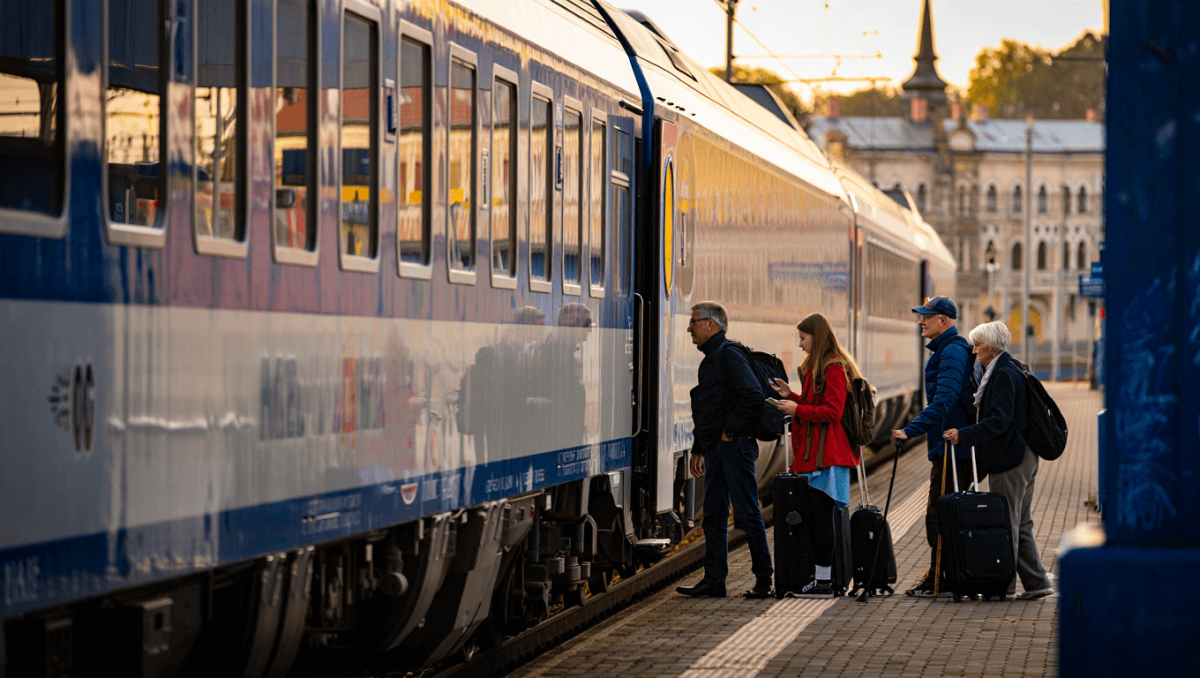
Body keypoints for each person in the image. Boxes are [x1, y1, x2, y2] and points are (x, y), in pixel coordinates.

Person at [943, 321, 1055, 600]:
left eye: (978, 345)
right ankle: (1037, 583)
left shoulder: (1003, 374)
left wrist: (964, 435)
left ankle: (1002, 585)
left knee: (1007, 522)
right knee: (1020, 522)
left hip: (1011, 458)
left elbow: (999, 421)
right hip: (1024, 455)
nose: (974, 350)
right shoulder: (1011, 367)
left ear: (991, 347)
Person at [677, 301, 774, 599]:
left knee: (746, 513)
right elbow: (709, 409)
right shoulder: (713, 356)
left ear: (710, 324)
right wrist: (698, 448)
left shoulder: (728, 353)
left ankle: (763, 579)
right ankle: (714, 580)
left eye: (694, 322)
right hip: (718, 449)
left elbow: (752, 394)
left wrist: (731, 431)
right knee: (715, 514)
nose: (690, 328)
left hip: (736, 447)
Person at [891, 295, 983, 597]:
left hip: (953, 450)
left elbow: (944, 402)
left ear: (942, 321)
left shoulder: (952, 353)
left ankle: (943, 579)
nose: (920, 321)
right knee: (942, 515)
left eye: (925, 317)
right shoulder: (947, 350)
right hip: (948, 446)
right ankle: (939, 575)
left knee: (939, 515)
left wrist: (909, 430)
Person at [769, 312, 864, 598]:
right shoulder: (819, 367)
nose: (799, 344)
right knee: (817, 518)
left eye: (803, 338)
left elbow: (833, 412)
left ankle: (823, 582)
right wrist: (793, 397)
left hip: (828, 456)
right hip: (819, 454)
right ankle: (822, 579)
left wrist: (798, 410)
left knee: (822, 519)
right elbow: (815, 403)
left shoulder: (833, 368)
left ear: (817, 336)